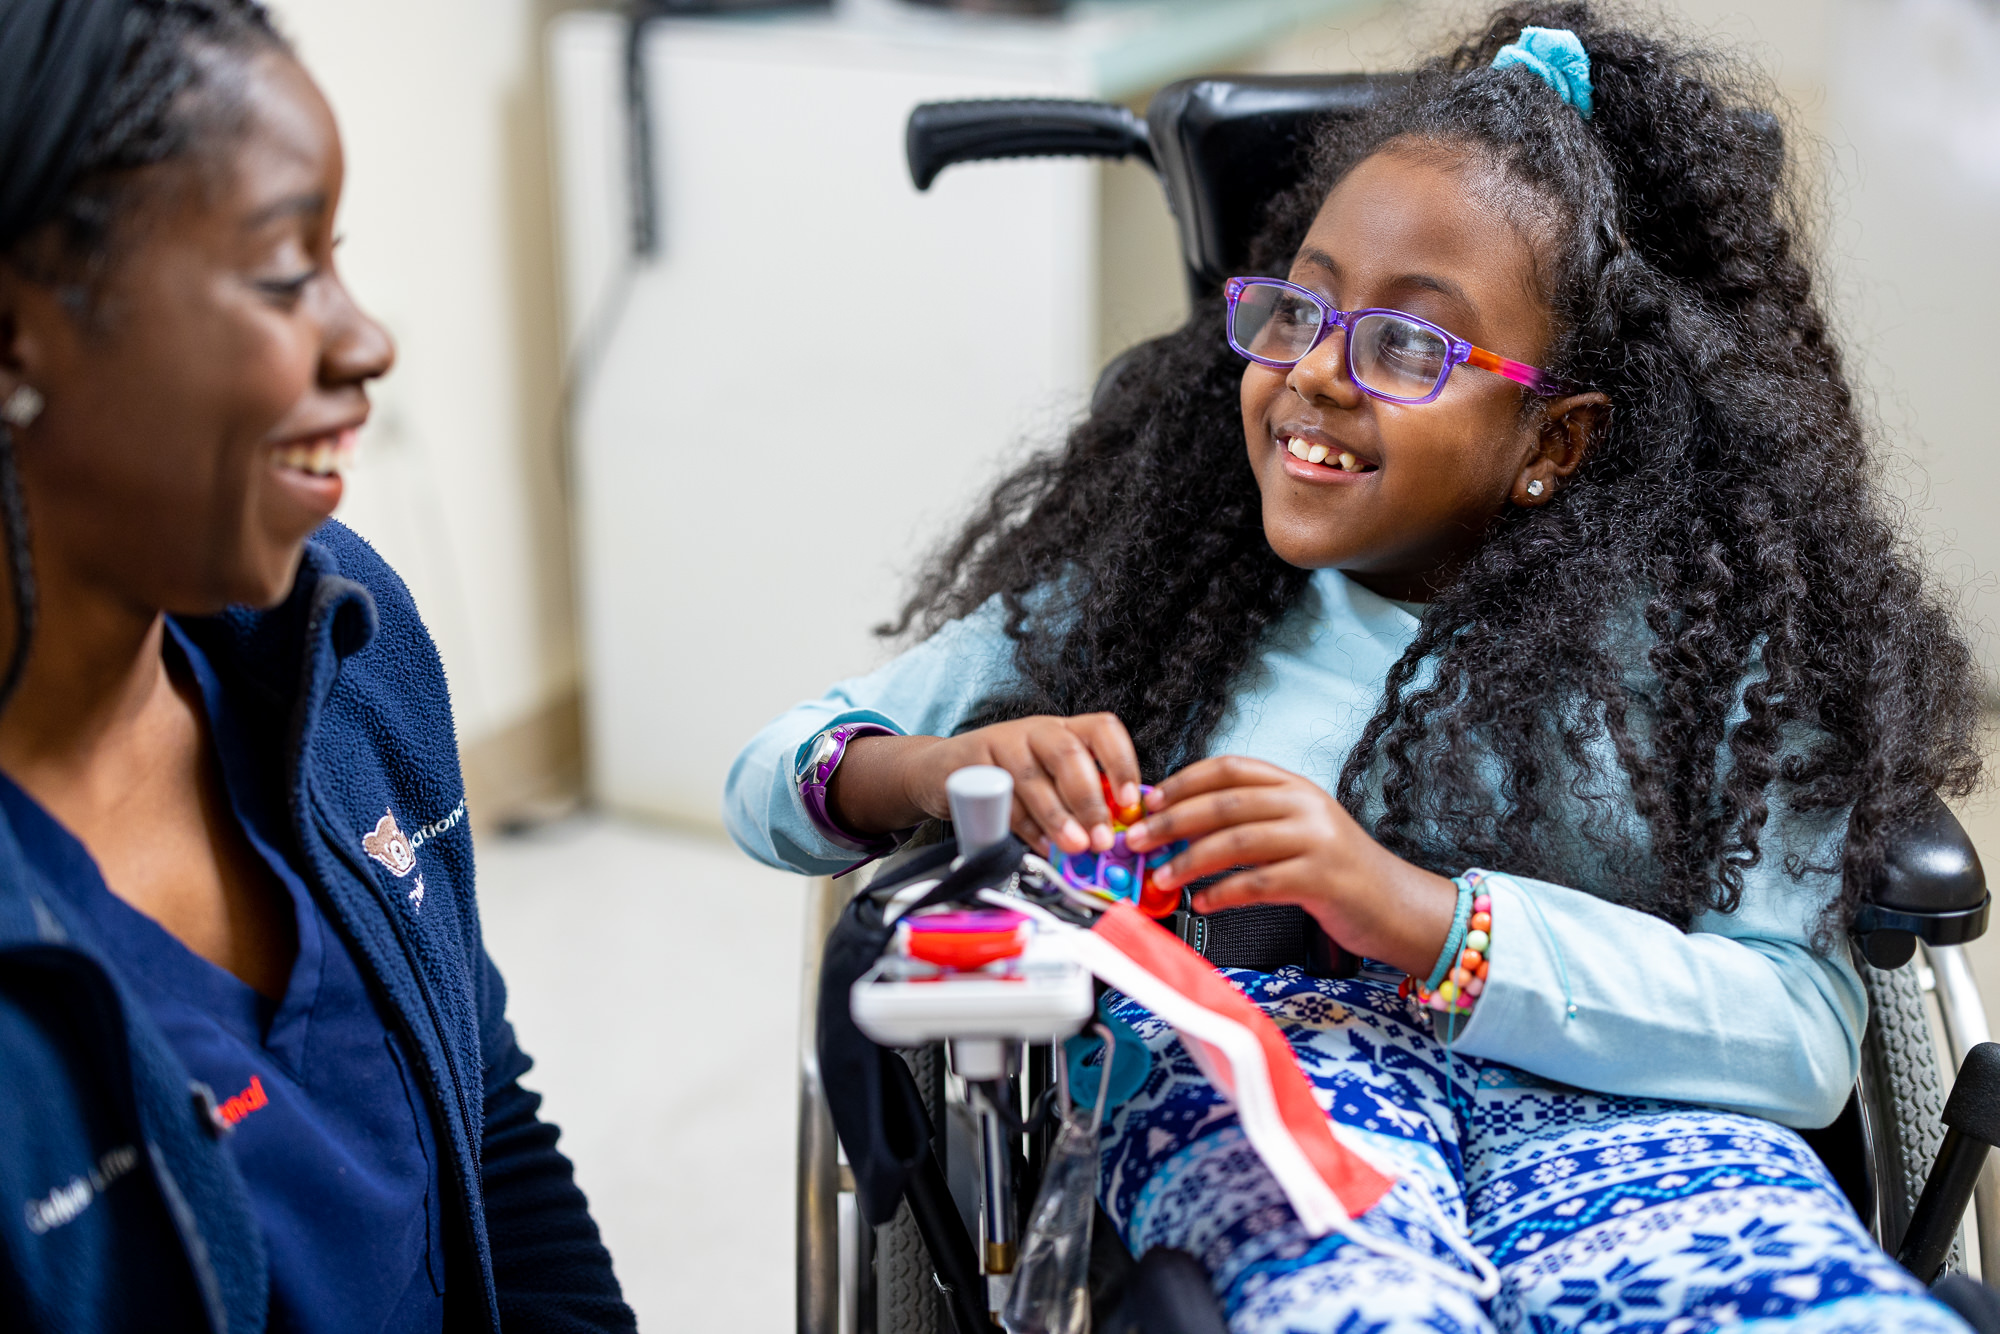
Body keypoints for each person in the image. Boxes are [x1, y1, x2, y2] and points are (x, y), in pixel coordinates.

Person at [726, 2, 1988, 1328]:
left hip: (1641, 1111)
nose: (1318, 375)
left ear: (1554, 437)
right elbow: (772, 779)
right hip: (1284, 1097)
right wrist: (933, 764)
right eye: (1300, 309)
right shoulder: (1153, 596)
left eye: (1408, 344)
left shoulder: (1718, 652)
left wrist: (1422, 917)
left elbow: (1797, 1038)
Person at [0, 2, 633, 1329]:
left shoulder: (342, 644)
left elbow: (494, 1132)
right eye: (288, 277)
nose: (366, 343)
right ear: (16, 338)